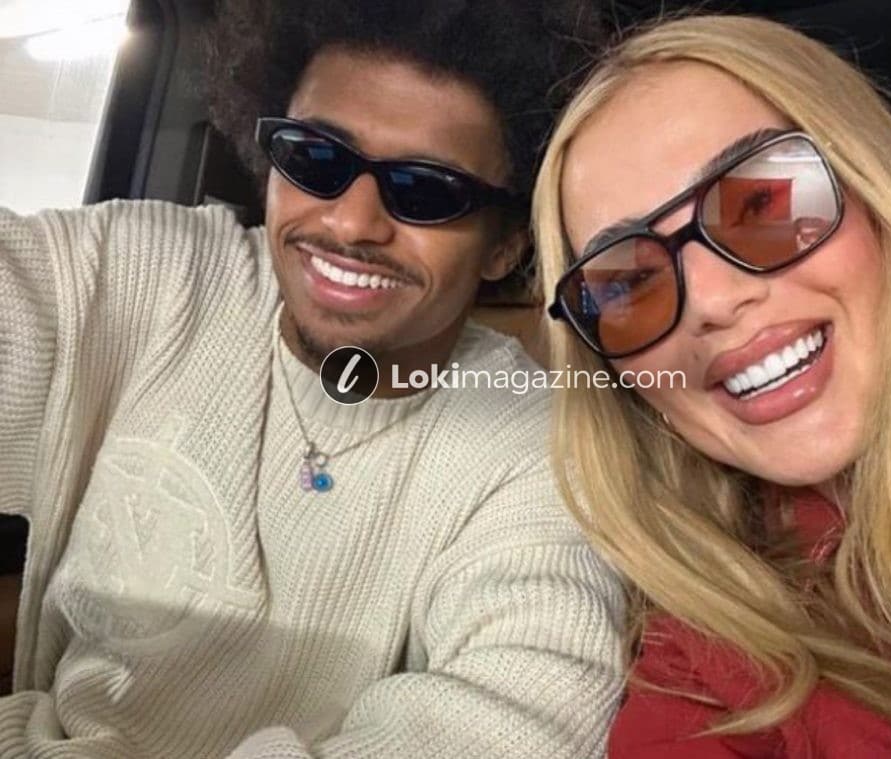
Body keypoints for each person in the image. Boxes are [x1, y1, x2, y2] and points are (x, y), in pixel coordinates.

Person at [0, 1, 627, 757]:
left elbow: (523, 715)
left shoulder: (535, 449)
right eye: (315, 158)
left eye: (427, 191)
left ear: (505, 246)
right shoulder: (154, 277)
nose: (351, 223)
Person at [533, 14, 891, 759]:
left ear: (884, 190)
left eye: (763, 203)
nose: (711, 301)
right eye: (628, 283)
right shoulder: (703, 675)